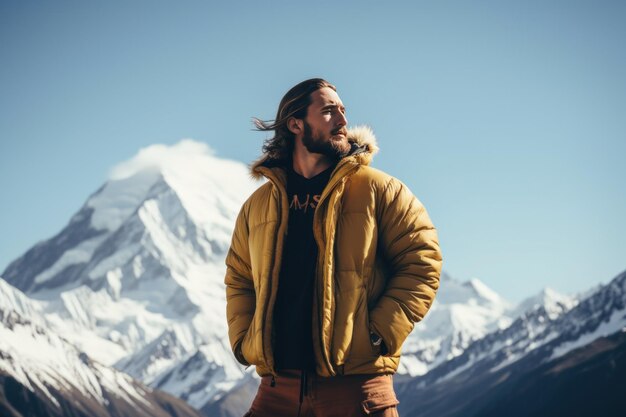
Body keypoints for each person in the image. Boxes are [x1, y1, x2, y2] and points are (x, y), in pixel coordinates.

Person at [225, 78, 442, 417]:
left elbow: (422, 261)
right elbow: (239, 277)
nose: (342, 121)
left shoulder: (381, 191)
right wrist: (243, 338)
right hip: (276, 391)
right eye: (328, 112)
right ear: (296, 124)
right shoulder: (258, 206)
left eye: (343, 111)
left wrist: (377, 334)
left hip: (356, 389)